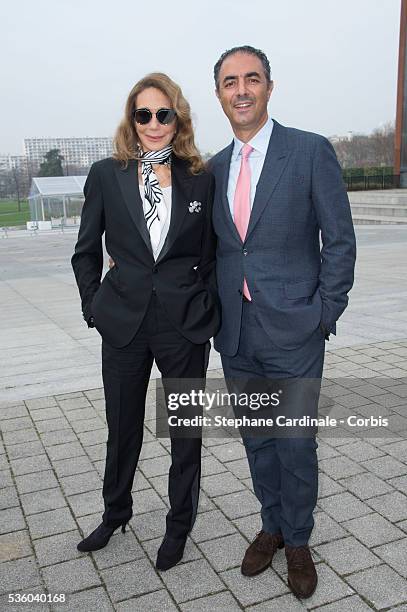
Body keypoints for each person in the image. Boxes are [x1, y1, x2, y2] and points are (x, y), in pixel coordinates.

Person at [209, 46, 356, 598]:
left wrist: (326, 312)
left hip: (297, 329)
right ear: (219, 94)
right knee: (258, 440)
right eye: (230, 82)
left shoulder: (309, 151)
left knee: (295, 441)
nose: (241, 90)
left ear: (270, 87)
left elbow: (339, 239)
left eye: (251, 79)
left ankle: (298, 539)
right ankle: (270, 525)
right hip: (237, 333)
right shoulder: (214, 167)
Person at [71, 72, 220, 570]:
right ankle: (116, 512)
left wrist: (206, 305)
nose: (154, 123)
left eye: (163, 113)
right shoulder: (106, 174)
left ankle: (179, 526)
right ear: (131, 120)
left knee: (184, 431)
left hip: (183, 326)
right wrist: (94, 305)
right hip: (124, 324)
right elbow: (85, 251)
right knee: (123, 428)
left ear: (177, 118)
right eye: (144, 114)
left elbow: (213, 253)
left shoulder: (200, 176)